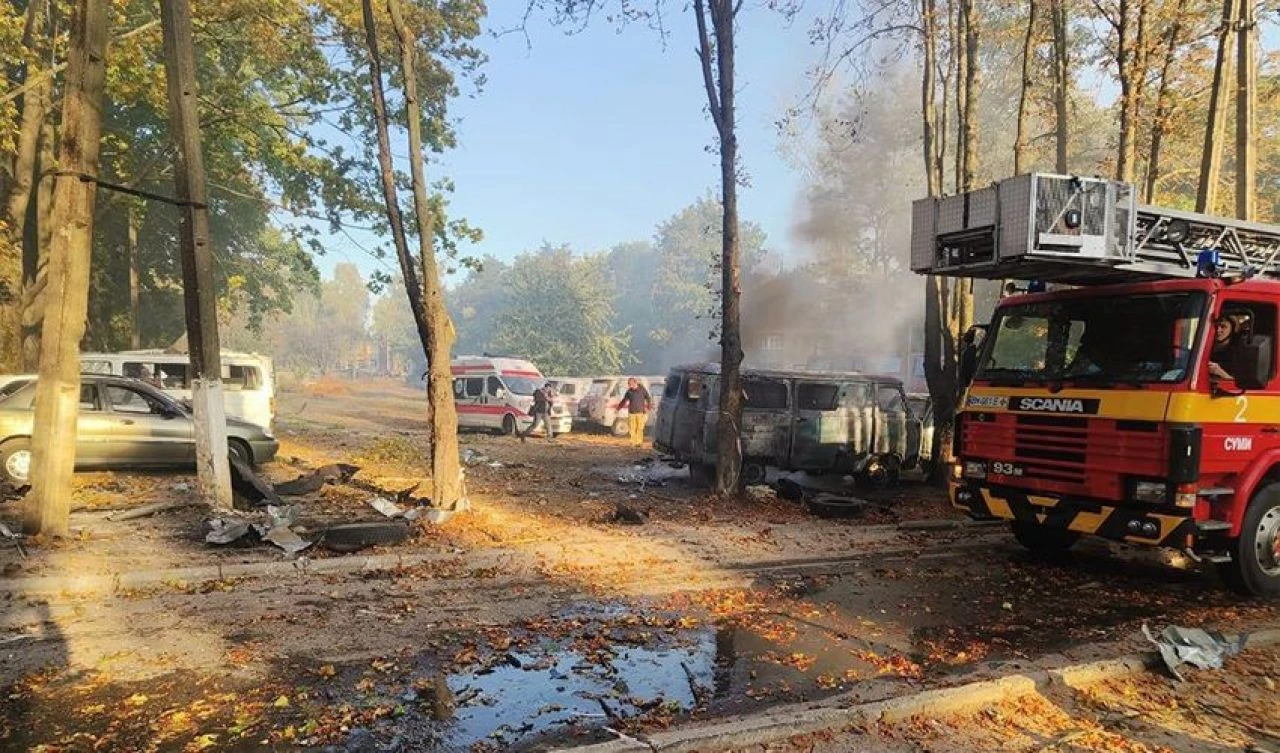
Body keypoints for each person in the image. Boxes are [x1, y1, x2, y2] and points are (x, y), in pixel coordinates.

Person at [615, 377, 652, 448]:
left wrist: (649, 406)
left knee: (640, 428)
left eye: (630, 384)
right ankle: (633, 442)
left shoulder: (642, 389)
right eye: (628, 384)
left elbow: (648, 397)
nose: (629, 385)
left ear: (635, 383)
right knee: (632, 429)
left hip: (640, 412)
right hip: (631, 413)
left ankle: (639, 442)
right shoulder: (629, 392)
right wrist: (618, 408)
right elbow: (624, 400)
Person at [1209, 314, 1246, 381]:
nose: (1218, 330)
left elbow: (1240, 383)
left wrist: (1219, 372)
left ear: (1232, 329)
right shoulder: (1206, 347)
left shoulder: (1238, 353)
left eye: (1223, 326)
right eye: (1216, 326)